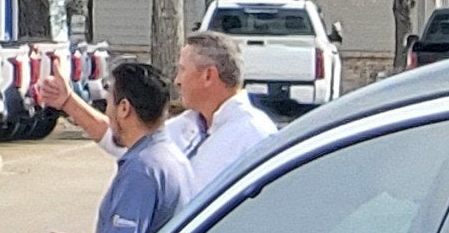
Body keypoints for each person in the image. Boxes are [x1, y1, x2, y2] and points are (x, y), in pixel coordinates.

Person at [51, 29, 280, 201]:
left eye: (182, 69)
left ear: (208, 76)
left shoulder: (254, 136)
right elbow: (126, 139)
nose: (177, 80)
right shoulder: (187, 125)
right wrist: (68, 102)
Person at [54, 60, 189, 233]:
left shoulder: (142, 168)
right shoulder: (169, 156)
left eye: (108, 103)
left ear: (124, 108)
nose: (107, 111)